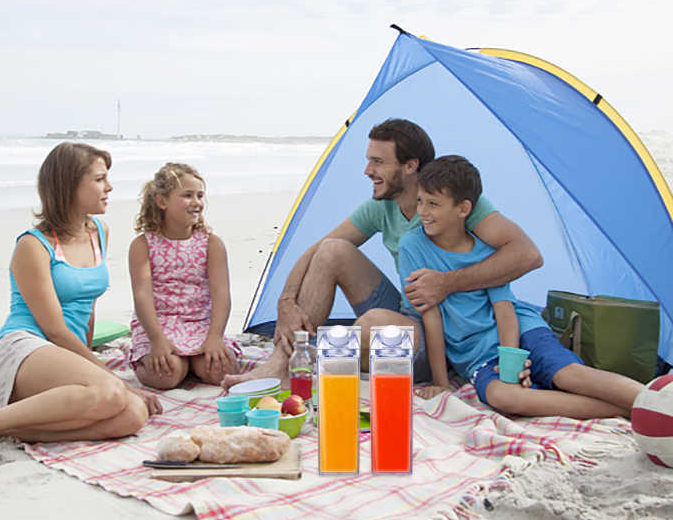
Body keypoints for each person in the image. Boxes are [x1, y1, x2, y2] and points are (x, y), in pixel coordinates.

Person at [222, 118, 543, 388]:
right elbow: (315, 250)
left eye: (378, 161)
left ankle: (318, 360)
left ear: (410, 166)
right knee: (332, 250)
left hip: (448, 335)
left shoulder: (451, 201)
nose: (367, 170)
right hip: (410, 316)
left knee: (371, 325)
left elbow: (528, 255)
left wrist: (447, 283)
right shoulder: (381, 206)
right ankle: (282, 364)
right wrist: (286, 301)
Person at [0, 143, 161, 458]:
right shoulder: (33, 246)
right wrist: (108, 376)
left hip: (64, 356)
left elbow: (86, 308)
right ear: (69, 185)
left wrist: (86, 364)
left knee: (132, 415)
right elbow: (55, 330)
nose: (109, 187)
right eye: (99, 179)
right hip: (25, 347)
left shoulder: (99, 232)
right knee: (111, 391)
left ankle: (9, 428)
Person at [400, 155, 642, 417]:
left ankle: (654, 400)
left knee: (570, 377)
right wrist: (441, 384)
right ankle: (630, 410)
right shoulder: (411, 247)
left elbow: (505, 310)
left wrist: (511, 362)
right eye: (420, 201)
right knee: (503, 396)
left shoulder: (486, 250)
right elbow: (431, 315)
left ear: (463, 209)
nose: (422, 212)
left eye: (433, 204)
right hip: (478, 354)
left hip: (522, 330)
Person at [128, 163, 240, 390]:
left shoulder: (211, 243)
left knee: (221, 371)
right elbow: (142, 297)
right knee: (165, 376)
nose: (197, 202)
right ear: (162, 202)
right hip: (159, 324)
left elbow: (221, 294)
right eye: (187, 195)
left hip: (200, 322)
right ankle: (176, 362)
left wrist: (215, 337)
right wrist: (157, 340)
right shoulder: (143, 245)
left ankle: (192, 361)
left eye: (200, 195)